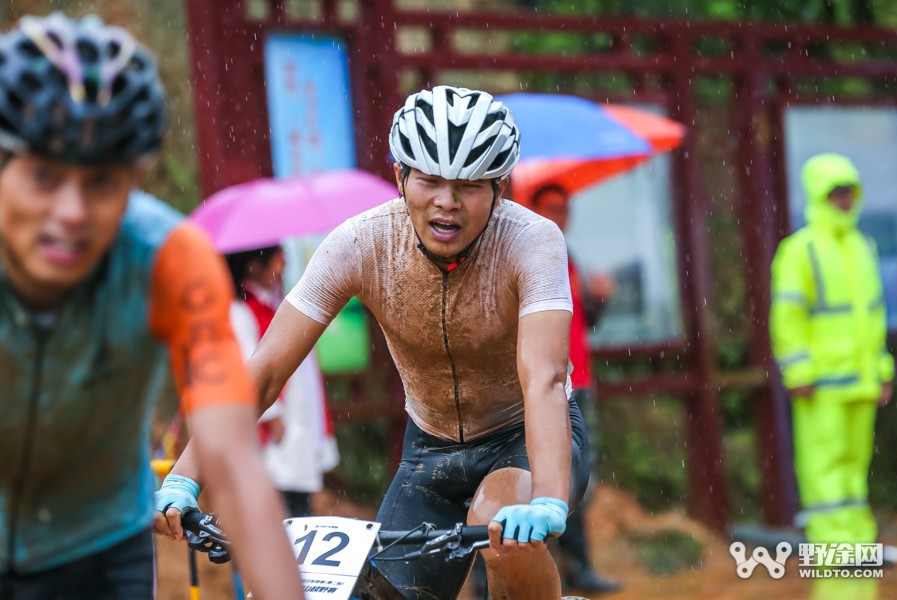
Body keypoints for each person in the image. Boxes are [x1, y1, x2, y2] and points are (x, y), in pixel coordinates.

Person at [154, 84, 591, 600]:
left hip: (521, 435)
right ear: (401, 176)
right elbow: (266, 369)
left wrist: (547, 499)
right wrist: (183, 479)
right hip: (430, 451)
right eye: (429, 180)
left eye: (469, 185)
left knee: (501, 528)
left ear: (499, 188)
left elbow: (544, 377)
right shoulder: (360, 242)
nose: (446, 203)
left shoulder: (532, 240)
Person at [0, 13, 304, 600]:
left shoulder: (171, 259)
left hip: (100, 547)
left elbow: (232, 458)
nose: (70, 212)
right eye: (43, 176)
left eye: (102, 183)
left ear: (136, 177)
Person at [770, 153, 895, 554]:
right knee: (824, 466)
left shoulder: (862, 246)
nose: (844, 199)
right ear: (819, 194)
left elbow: (874, 318)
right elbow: (787, 317)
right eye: (836, 192)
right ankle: (833, 545)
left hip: (860, 379)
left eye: (848, 191)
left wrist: (882, 369)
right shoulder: (801, 249)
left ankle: (856, 541)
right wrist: (799, 372)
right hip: (822, 381)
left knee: (854, 468)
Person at [527, 184, 619, 595]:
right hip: (541, 387)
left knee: (577, 480)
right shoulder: (527, 255)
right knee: (533, 480)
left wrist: (599, 300)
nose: (560, 215)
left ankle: (577, 569)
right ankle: (534, 575)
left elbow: (580, 321)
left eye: (565, 208)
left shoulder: (569, 258)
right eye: (551, 208)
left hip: (577, 381)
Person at [226, 245, 339, 518]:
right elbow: (244, 369)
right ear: (254, 265)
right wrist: (271, 416)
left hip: (296, 428)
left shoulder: (279, 304)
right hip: (273, 430)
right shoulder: (241, 311)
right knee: (271, 512)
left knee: (296, 508)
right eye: (277, 260)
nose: (283, 267)